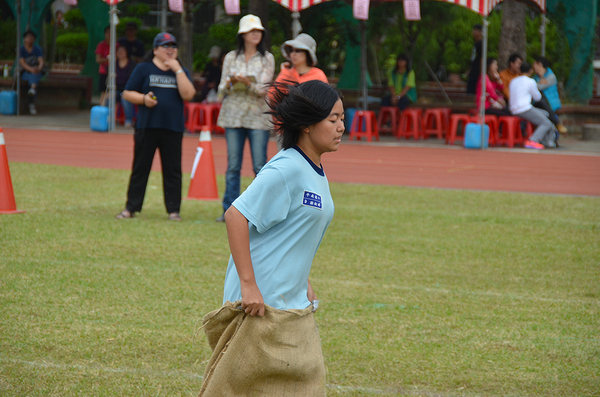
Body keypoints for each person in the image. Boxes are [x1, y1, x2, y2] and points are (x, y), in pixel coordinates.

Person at [198, 80, 343, 395]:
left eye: (342, 118)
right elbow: (236, 215)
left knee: (301, 380)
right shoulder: (285, 168)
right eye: (333, 119)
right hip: (259, 301)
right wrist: (249, 286)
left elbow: (294, 232)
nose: (340, 126)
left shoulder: (313, 169)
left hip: (288, 300)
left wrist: (303, 279)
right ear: (307, 124)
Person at [115, 32, 196, 221]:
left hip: (172, 128)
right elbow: (127, 93)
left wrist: (177, 70)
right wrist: (143, 99)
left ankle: (173, 210)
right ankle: (131, 208)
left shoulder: (180, 70)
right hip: (147, 126)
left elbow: (188, 94)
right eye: (165, 46)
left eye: (173, 46)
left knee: (173, 170)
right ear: (155, 50)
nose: (170, 49)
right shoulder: (144, 68)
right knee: (140, 168)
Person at [216, 14, 275, 222]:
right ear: (242, 34)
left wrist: (248, 83)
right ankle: (229, 211)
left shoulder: (267, 58)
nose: (256, 34)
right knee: (233, 167)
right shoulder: (231, 57)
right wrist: (232, 82)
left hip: (257, 118)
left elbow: (264, 89)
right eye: (252, 31)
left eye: (258, 31)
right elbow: (221, 88)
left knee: (260, 166)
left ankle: (262, 212)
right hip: (233, 116)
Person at [509, 62, 556, 150]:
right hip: (524, 109)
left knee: (545, 114)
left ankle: (547, 142)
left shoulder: (513, 80)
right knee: (547, 123)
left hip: (513, 109)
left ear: (520, 70)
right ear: (530, 71)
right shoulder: (530, 81)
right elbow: (537, 97)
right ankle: (533, 140)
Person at [533, 56, 568, 134]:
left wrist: (536, 84)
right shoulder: (535, 78)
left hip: (551, 103)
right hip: (539, 104)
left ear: (540, 65)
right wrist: (537, 84)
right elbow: (535, 87)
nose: (533, 67)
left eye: (534, 64)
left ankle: (555, 131)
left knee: (541, 101)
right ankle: (557, 123)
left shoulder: (551, 76)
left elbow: (538, 87)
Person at [19, 30, 44, 115]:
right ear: (24, 39)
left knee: (35, 76)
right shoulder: (21, 49)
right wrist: (31, 69)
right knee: (33, 77)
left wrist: (39, 68)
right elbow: (22, 63)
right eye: (28, 37)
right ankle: (32, 93)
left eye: (31, 38)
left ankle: (32, 89)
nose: (30, 39)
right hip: (25, 72)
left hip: (36, 71)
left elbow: (41, 61)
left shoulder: (38, 49)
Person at [115, 45, 137, 127]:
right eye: (118, 51)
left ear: (127, 53)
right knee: (110, 96)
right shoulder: (114, 64)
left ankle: (129, 120)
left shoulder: (132, 63)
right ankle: (108, 118)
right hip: (117, 88)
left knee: (125, 97)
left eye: (122, 51)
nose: (120, 53)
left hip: (128, 89)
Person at [95, 26, 115, 106]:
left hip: (114, 71)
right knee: (104, 92)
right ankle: (102, 108)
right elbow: (98, 60)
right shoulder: (101, 45)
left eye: (111, 32)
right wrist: (109, 59)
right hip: (104, 71)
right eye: (108, 32)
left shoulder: (117, 45)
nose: (109, 35)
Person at [466, 24, 483, 94]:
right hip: (473, 68)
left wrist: (482, 72)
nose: (474, 32)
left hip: (477, 69)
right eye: (474, 30)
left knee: (473, 88)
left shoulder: (481, 44)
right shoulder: (476, 43)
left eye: (477, 31)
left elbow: (482, 57)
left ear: (481, 32)